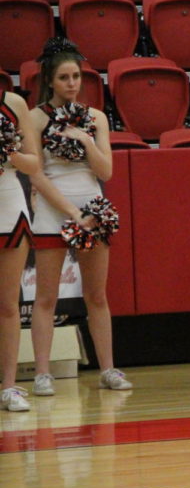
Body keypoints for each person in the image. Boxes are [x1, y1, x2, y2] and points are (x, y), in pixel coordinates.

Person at [27, 38, 131, 394]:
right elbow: (37, 173)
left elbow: (106, 173)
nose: (72, 84)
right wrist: (72, 213)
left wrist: (87, 141)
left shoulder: (96, 117)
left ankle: (108, 368)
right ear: (50, 81)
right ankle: (43, 372)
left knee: (97, 295)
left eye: (76, 77)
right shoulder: (35, 118)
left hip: (93, 209)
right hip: (55, 213)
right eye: (64, 77)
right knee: (46, 298)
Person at [0, 91, 42, 411]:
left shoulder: (13, 103)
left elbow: (33, 161)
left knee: (8, 305)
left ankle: (10, 386)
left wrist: (8, 151)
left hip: (9, 207)